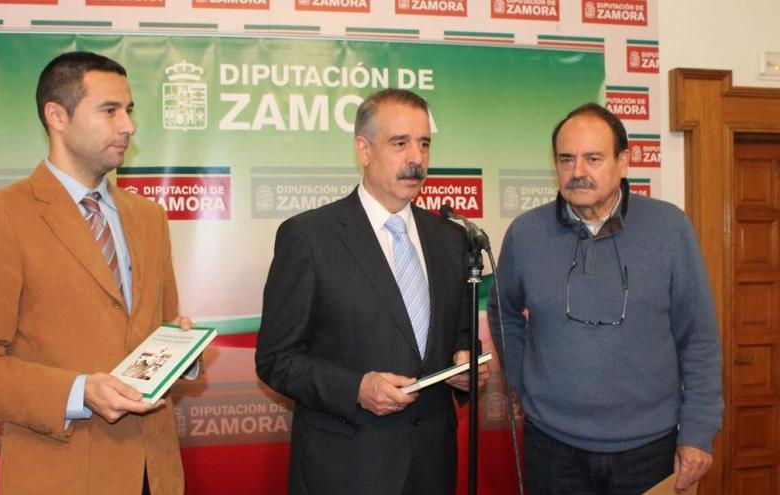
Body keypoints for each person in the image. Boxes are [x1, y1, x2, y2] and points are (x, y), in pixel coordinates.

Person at [0, 52, 191, 495]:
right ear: (57, 115)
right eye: (109, 110)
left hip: (156, 471)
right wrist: (78, 392)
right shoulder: (1, 216)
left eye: (129, 110)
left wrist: (180, 351)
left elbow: (157, 329)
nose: (128, 125)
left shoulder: (149, 217)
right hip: (62, 475)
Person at [255, 88, 488, 495]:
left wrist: (464, 365)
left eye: (424, 144)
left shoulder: (452, 240)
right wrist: (356, 388)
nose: (416, 157)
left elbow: (458, 337)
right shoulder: (310, 237)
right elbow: (277, 360)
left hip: (432, 464)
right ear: (363, 149)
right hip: (348, 468)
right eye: (400, 143)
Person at [488, 103, 723, 494]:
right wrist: (523, 377)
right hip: (552, 447)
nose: (578, 172)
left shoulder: (670, 229)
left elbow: (698, 337)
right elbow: (503, 311)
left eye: (593, 158)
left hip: (649, 450)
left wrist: (698, 431)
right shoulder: (526, 234)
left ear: (623, 162)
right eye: (566, 159)